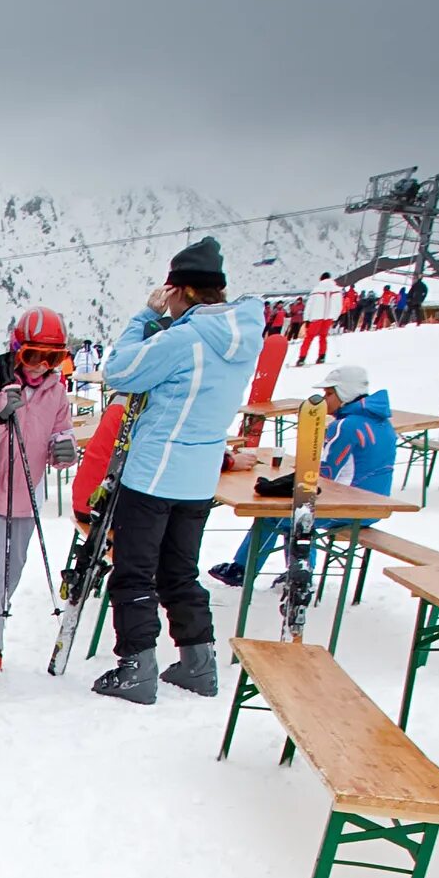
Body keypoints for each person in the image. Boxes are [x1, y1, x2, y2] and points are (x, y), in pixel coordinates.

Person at [89, 235, 262, 704]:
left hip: (153, 471)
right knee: (180, 571)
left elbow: (121, 372)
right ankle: (197, 664)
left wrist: (145, 317)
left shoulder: (185, 338)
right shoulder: (244, 337)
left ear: (179, 290)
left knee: (133, 572)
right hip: (199, 475)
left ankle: (136, 669)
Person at [0, 306, 74, 685]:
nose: (40, 366)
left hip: (27, 497)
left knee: (12, 570)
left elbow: (60, 433)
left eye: (51, 358)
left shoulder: (57, 392)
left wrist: (63, 449)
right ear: (17, 350)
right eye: (32, 355)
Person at [206, 360, 396, 597]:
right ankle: (290, 569)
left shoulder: (345, 426)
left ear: (345, 394)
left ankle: (251, 569)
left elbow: (324, 475)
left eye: (328, 394)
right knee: (293, 513)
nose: (324, 400)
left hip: (347, 506)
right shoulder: (382, 423)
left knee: (279, 515)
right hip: (375, 507)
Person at [297, 273, 337, 364]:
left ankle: (302, 358)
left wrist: (306, 318)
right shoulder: (336, 290)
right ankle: (322, 357)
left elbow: (309, 305)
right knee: (323, 337)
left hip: (316, 317)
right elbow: (338, 304)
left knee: (309, 337)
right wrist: (335, 316)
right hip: (329, 317)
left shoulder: (317, 290)